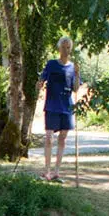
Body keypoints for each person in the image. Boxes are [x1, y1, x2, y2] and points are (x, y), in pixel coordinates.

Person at [40, 37, 79, 182]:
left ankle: (57, 172)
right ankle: (46, 171)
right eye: (63, 47)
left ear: (71, 49)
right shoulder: (51, 64)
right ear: (59, 48)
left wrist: (77, 74)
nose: (66, 50)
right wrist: (39, 84)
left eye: (68, 47)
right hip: (52, 105)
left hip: (66, 106)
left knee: (62, 138)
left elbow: (75, 88)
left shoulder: (72, 67)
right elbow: (42, 78)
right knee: (49, 137)